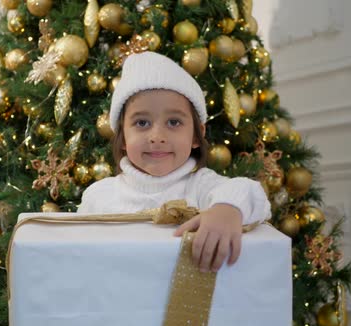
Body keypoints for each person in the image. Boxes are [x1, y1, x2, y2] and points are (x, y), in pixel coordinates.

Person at [78, 51, 271, 273]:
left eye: (173, 122)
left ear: (197, 135)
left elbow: (249, 192)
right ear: (122, 137)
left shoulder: (202, 186)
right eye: (142, 123)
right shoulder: (98, 196)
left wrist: (227, 210)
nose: (157, 136)